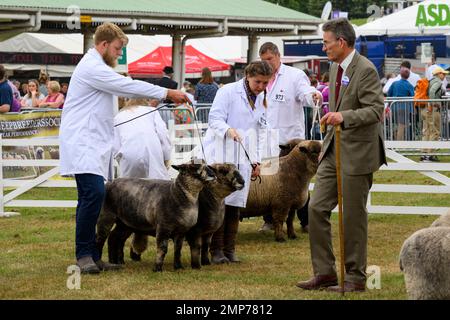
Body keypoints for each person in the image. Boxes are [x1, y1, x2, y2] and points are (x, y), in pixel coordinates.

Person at [59, 22, 189, 274]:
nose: (120, 54)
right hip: (83, 143)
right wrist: (167, 92)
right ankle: (84, 255)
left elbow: (124, 84)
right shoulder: (92, 67)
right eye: (118, 49)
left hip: (94, 144)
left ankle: (93, 255)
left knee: (94, 197)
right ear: (104, 44)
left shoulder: (98, 67)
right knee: (93, 195)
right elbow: (127, 86)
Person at [296, 18, 386, 293]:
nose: (324, 48)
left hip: (358, 154)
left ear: (341, 42)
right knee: (316, 209)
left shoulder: (366, 70)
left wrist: (342, 116)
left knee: (352, 217)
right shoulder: (335, 68)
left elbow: (375, 110)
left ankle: (356, 277)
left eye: (326, 42)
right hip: (333, 150)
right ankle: (325, 273)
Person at [201, 60, 272, 264]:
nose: (261, 87)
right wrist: (228, 130)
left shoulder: (260, 99)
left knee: (236, 205)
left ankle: (229, 249)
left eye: (265, 83)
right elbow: (214, 119)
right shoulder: (228, 92)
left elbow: (260, 131)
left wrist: (256, 161)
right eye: (258, 82)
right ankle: (215, 251)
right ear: (247, 76)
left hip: (244, 158)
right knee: (220, 204)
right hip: (222, 155)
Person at [258, 42, 322, 234]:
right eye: (263, 60)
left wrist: (314, 95)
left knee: (297, 183)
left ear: (278, 56)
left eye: (269, 59)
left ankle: (306, 221)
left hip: (291, 143)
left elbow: (306, 93)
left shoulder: (294, 76)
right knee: (268, 183)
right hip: (267, 141)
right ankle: (269, 221)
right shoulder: (261, 79)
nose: (267, 63)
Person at [113, 98, 171, 179]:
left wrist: (121, 160)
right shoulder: (152, 111)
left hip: (129, 154)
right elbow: (163, 135)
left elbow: (115, 145)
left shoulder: (118, 116)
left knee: (131, 188)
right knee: (157, 186)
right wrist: (167, 157)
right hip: (152, 152)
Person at [420, 66, 448, 162]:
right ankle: (430, 155)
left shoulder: (430, 81)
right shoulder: (438, 82)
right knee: (435, 131)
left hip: (425, 109)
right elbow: (432, 91)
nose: (444, 75)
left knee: (426, 132)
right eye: (443, 74)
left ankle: (424, 154)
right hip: (433, 110)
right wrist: (434, 102)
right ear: (438, 74)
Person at [387, 67, 415, 140]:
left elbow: (388, 94)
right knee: (402, 125)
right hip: (404, 108)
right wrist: (413, 109)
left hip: (394, 107)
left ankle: (397, 139)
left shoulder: (394, 83)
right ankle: (399, 143)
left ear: (400, 74)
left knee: (399, 125)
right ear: (408, 76)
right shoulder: (409, 85)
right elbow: (413, 97)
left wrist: (389, 105)